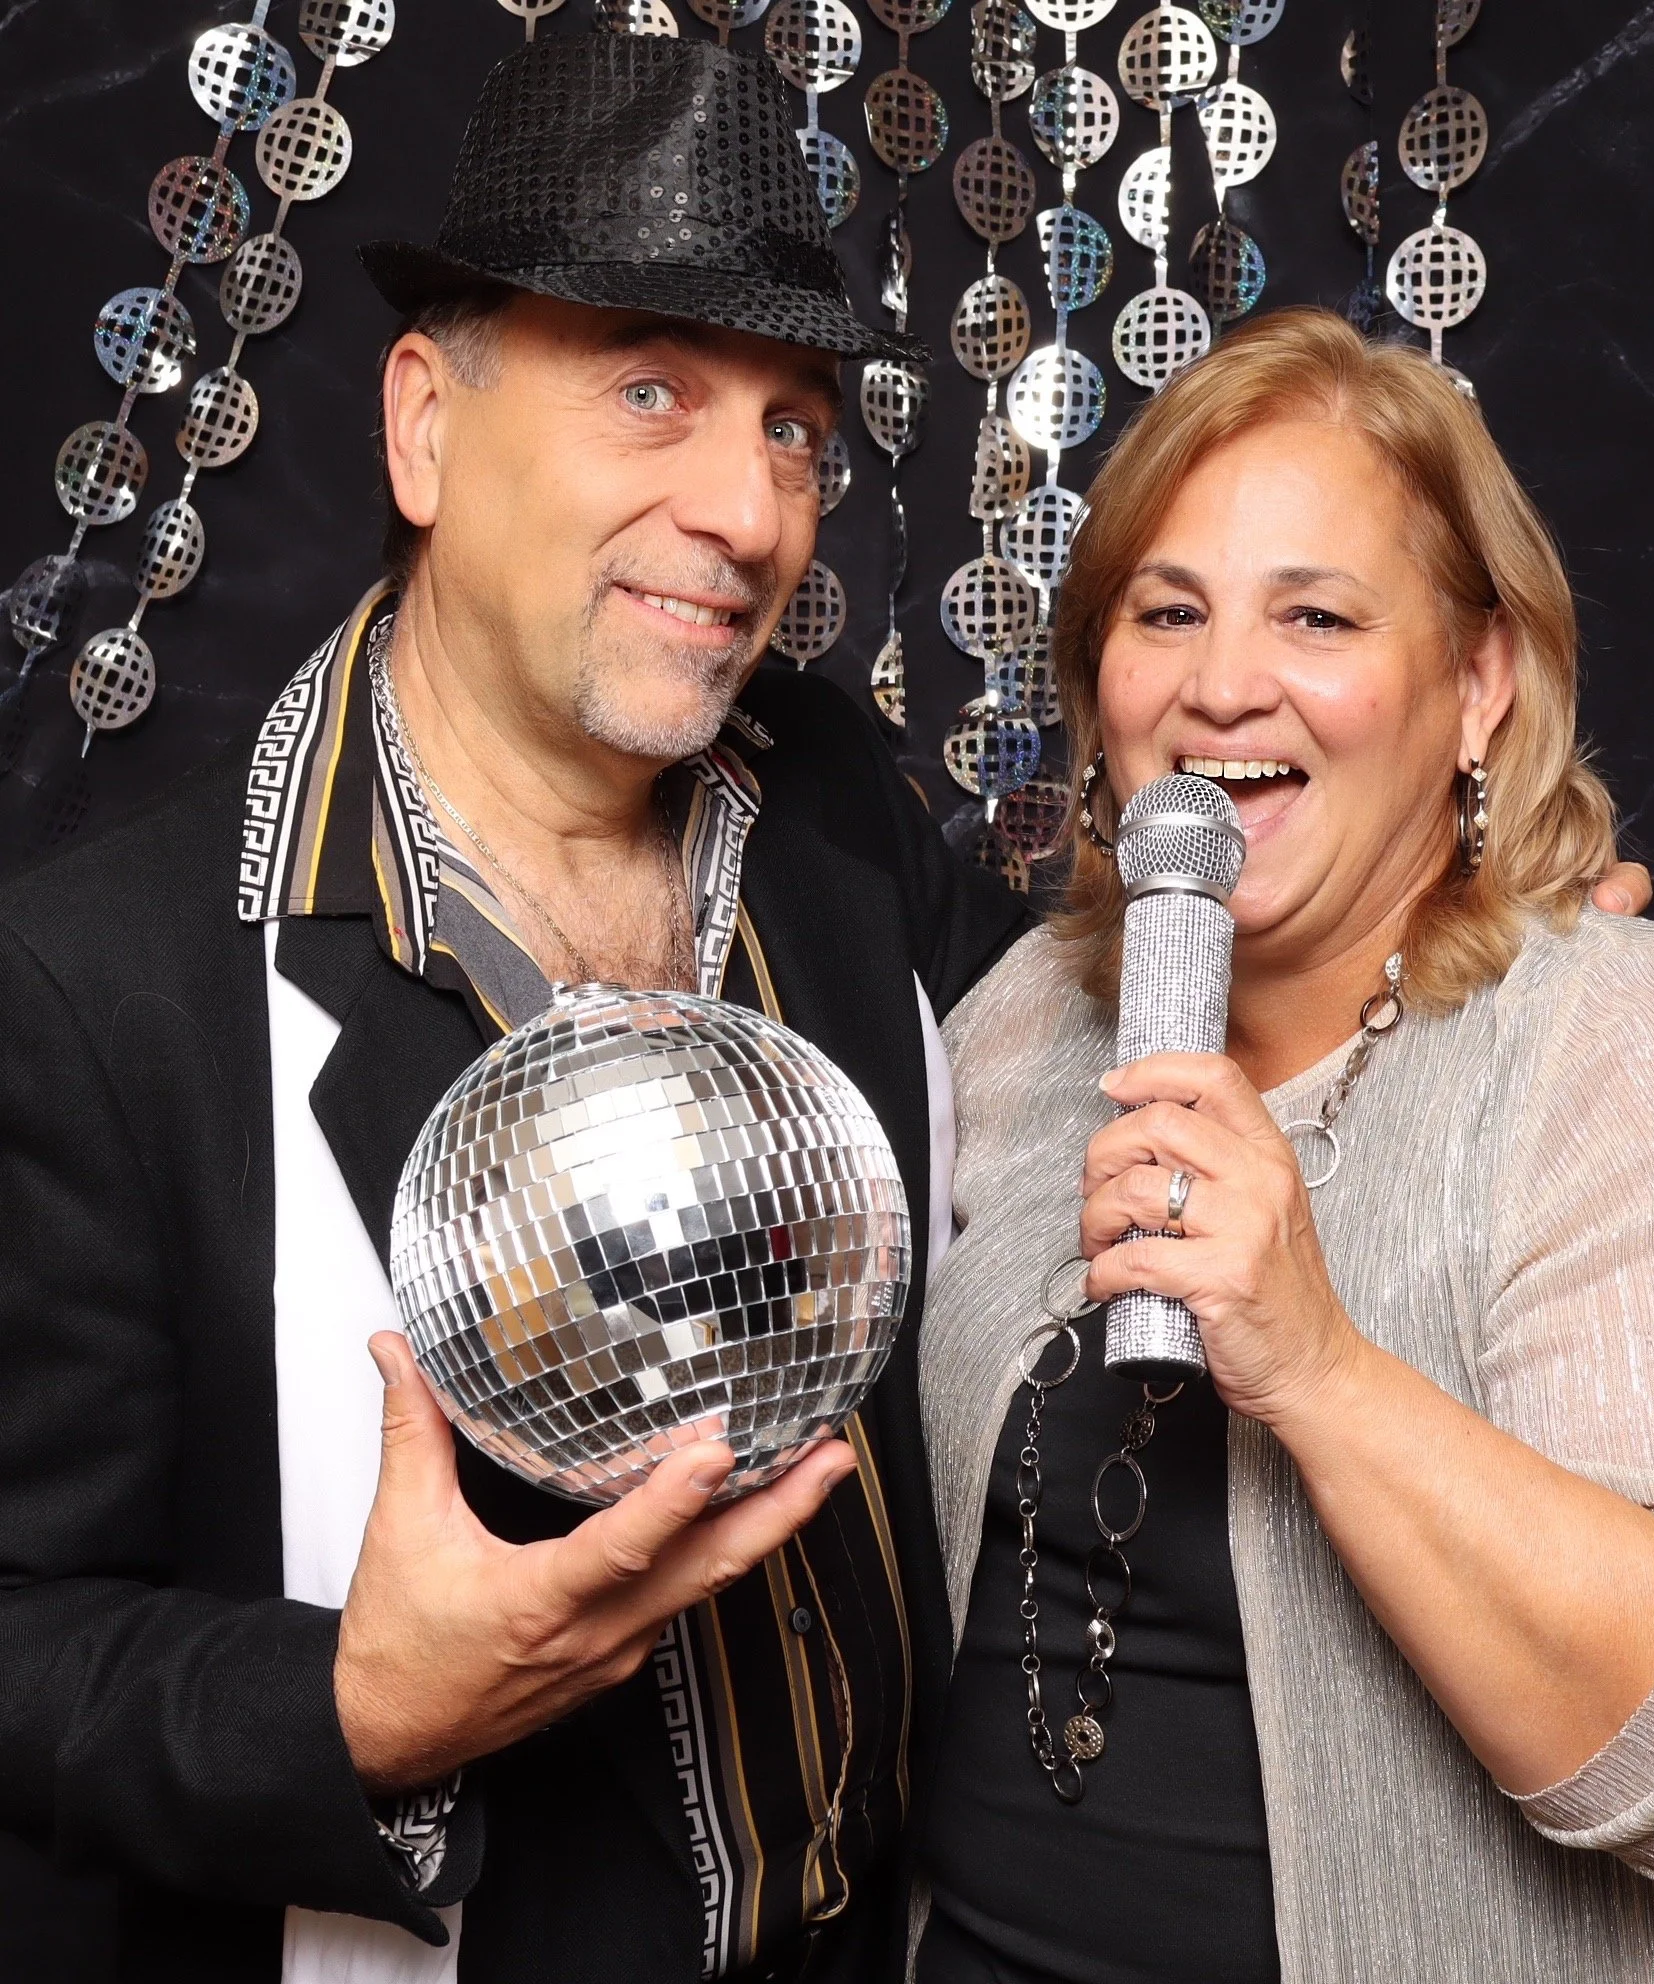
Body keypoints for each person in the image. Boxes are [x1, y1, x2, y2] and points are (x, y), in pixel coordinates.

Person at [0, 36, 1031, 1984]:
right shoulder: (100, 988)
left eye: (794, 423)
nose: (746, 509)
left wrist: (1456, 921)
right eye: (650, 388)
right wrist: (354, 1709)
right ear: (423, 425)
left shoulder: (828, 813)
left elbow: (1069, 1042)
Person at [914, 309, 1654, 1984]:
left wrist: (1320, 1368)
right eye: (1168, 613)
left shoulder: (1630, 1046)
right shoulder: (1019, 1024)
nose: (1223, 684)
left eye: (1318, 615)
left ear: (1477, 686)